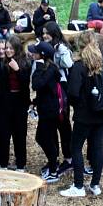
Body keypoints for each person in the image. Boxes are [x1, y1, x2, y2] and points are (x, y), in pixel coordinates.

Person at [60, 34, 103, 197]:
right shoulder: (102, 63)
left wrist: (77, 104)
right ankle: (95, 184)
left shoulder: (79, 66)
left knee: (76, 147)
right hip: (101, 113)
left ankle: (79, 185)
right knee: (97, 147)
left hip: (84, 115)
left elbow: (73, 92)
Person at [0, 36, 31, 171]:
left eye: (10, 48)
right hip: (4, 103)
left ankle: (21, 164)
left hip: (19, 102)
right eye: (6, 48)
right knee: (4, 134)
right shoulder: (1, 63)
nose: (7, 50)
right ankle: (3, 163)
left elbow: (26, 83)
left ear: (16, 48)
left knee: (19, 134)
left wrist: (17, 70)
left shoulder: (25, 62)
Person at [42, 22, 74, 176]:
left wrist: (57, 57)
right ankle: (53, 157)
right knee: (52, 124)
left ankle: (69, 158)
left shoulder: (62, 47)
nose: (44, 35)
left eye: (47, 33)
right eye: (43, 33)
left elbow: (68, 64)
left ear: (54, 33)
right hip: (49, 88)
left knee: (63, 124)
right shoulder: (45, 46)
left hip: (62, 88)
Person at [29, 41, 62, 183]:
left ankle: (54, 170)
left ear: (42, 55)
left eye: (35, 52)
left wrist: (38, 67)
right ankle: (52, 162)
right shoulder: (50, 68)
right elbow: (46, 90)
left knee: (43, 138)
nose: (32, 53)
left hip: (50, 111)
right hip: (46, 107)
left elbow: (37, 85)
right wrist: (35, 102)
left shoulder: (48, 69)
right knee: (48, 138)